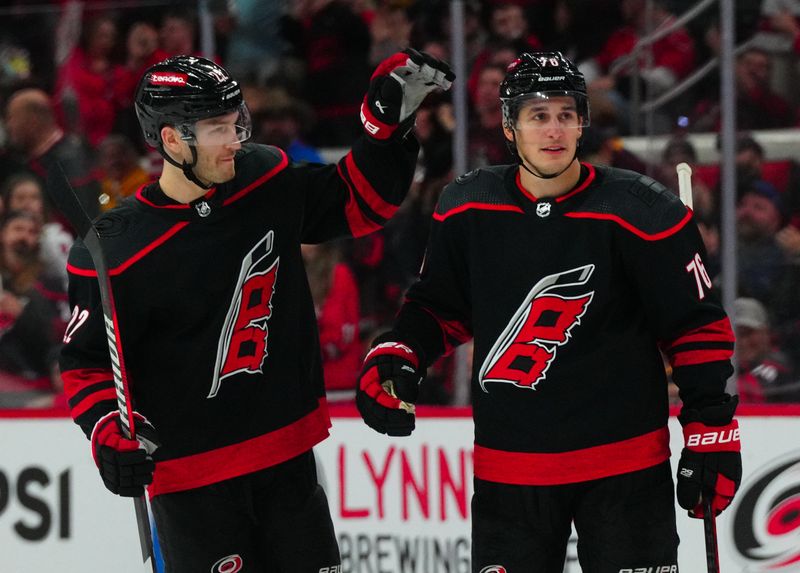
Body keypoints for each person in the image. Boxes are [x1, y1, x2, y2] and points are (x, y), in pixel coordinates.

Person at [58, 52, 453, 572]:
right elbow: (85, 363)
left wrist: (386, 129)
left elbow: (360, 204)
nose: (236, 138)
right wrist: (110, 429)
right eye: (218, 128)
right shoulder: (113, 250)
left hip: (288, 460)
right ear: (173, 140)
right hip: (193, 484)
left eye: (235, 121)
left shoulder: (264, 177)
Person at [355, 51, 741, 572]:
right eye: (538, 115)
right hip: (510, 474)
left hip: (624, 469)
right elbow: (438, 308)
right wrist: (401, 350)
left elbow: (696, 328)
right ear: (510, 127)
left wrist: (710, 427)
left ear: (582, 122)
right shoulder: (467, 207)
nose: (555, 129)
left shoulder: (642, 212)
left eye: (566, 114)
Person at [733, 297, 800, 403]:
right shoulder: (715, 375)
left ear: (765, 333)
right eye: (735, 334)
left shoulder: (784, 374)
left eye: (748, 333)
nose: (742, 342)